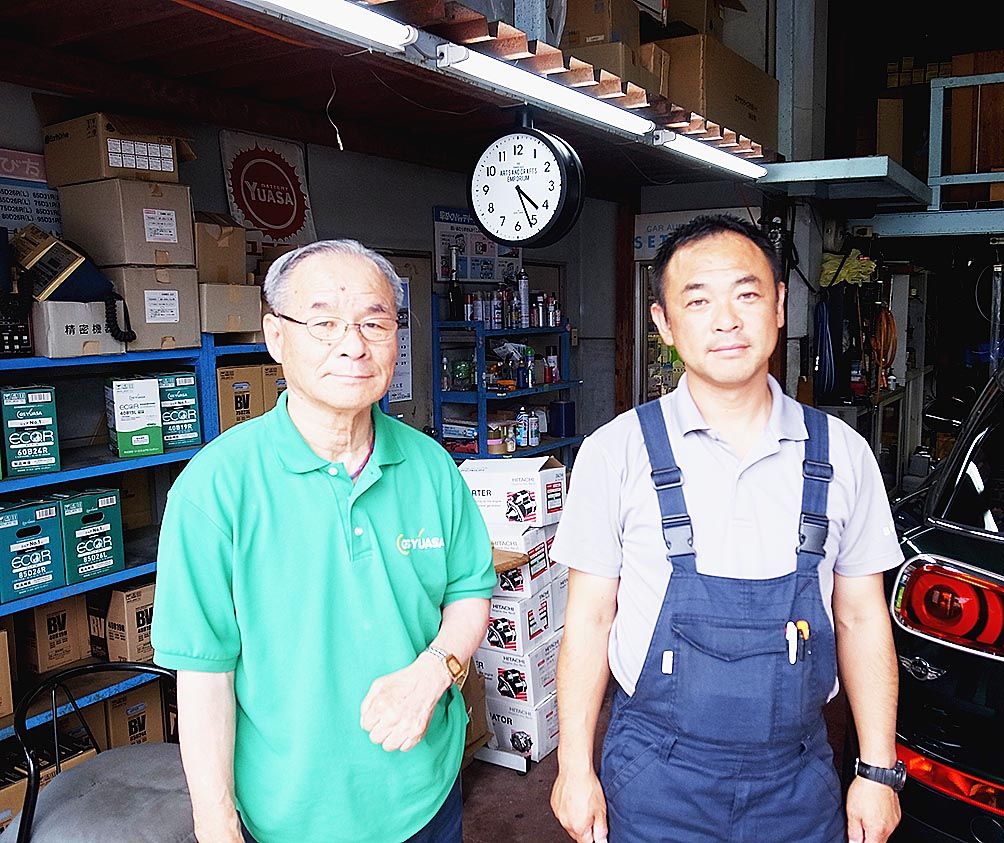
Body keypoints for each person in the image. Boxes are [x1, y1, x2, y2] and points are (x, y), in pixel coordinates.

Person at [549, 214, 905, 843]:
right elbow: (589, 618)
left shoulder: (844, 455)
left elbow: (861, 617)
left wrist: (878, 770)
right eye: (698, 301)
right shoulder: (615, 452)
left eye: (746, 294)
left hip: (796, 778)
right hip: (656, 774)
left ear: (779, 306)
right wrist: (573, 768)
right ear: (664, 324)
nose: (726, 321)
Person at [151, 239, 496, 843]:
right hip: (288, 816)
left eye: (373, 322)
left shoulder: (431, 466)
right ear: (275, 337)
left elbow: (469, 592)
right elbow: (204, 673)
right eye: (324, 323)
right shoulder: (215, 488)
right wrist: (216, 820)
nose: (353, 345)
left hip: (427, 795)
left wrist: (434, 671)